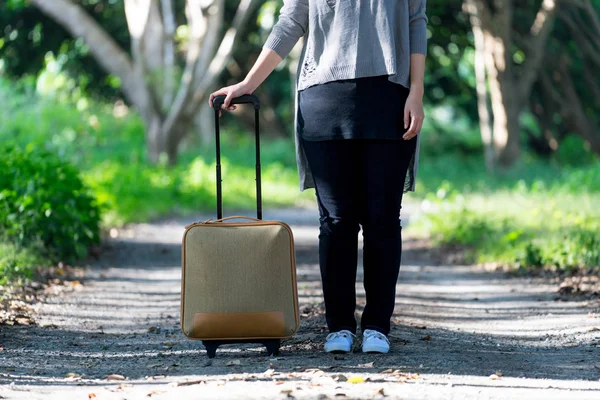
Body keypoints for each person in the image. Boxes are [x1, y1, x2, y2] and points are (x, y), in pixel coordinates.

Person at [209, 0, 428, 354]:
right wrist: (249, 82)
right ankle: (339, 325)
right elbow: (290, 21)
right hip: (324, 100)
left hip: (391, 97)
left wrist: (416, 91)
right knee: (337, 221)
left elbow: (416, 21)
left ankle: (377, 326)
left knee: (382, 221)